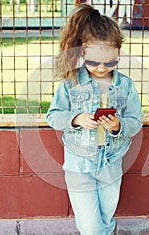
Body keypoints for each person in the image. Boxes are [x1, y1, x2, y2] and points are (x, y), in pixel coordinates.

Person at [46, 3, 142, 235]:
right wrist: (76, 118)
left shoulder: (125, 85)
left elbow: (135, 120)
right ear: (82, 52)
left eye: (110, 62)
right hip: (79, 163)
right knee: (90, 226)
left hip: (111, 161)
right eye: (94, 62)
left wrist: (118, 125)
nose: (101, 68)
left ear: (119, 53)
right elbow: (53, 115)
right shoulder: (70, 83)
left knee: (105, 218)